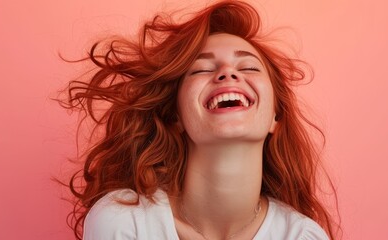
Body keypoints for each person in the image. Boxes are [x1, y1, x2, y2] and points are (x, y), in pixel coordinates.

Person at [61, 1, 338, 239]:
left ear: (275, 117)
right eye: (201, 69)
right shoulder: (124, 222)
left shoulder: (302, 236)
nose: (228, 73)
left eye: (249, 67)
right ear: (176, 117)